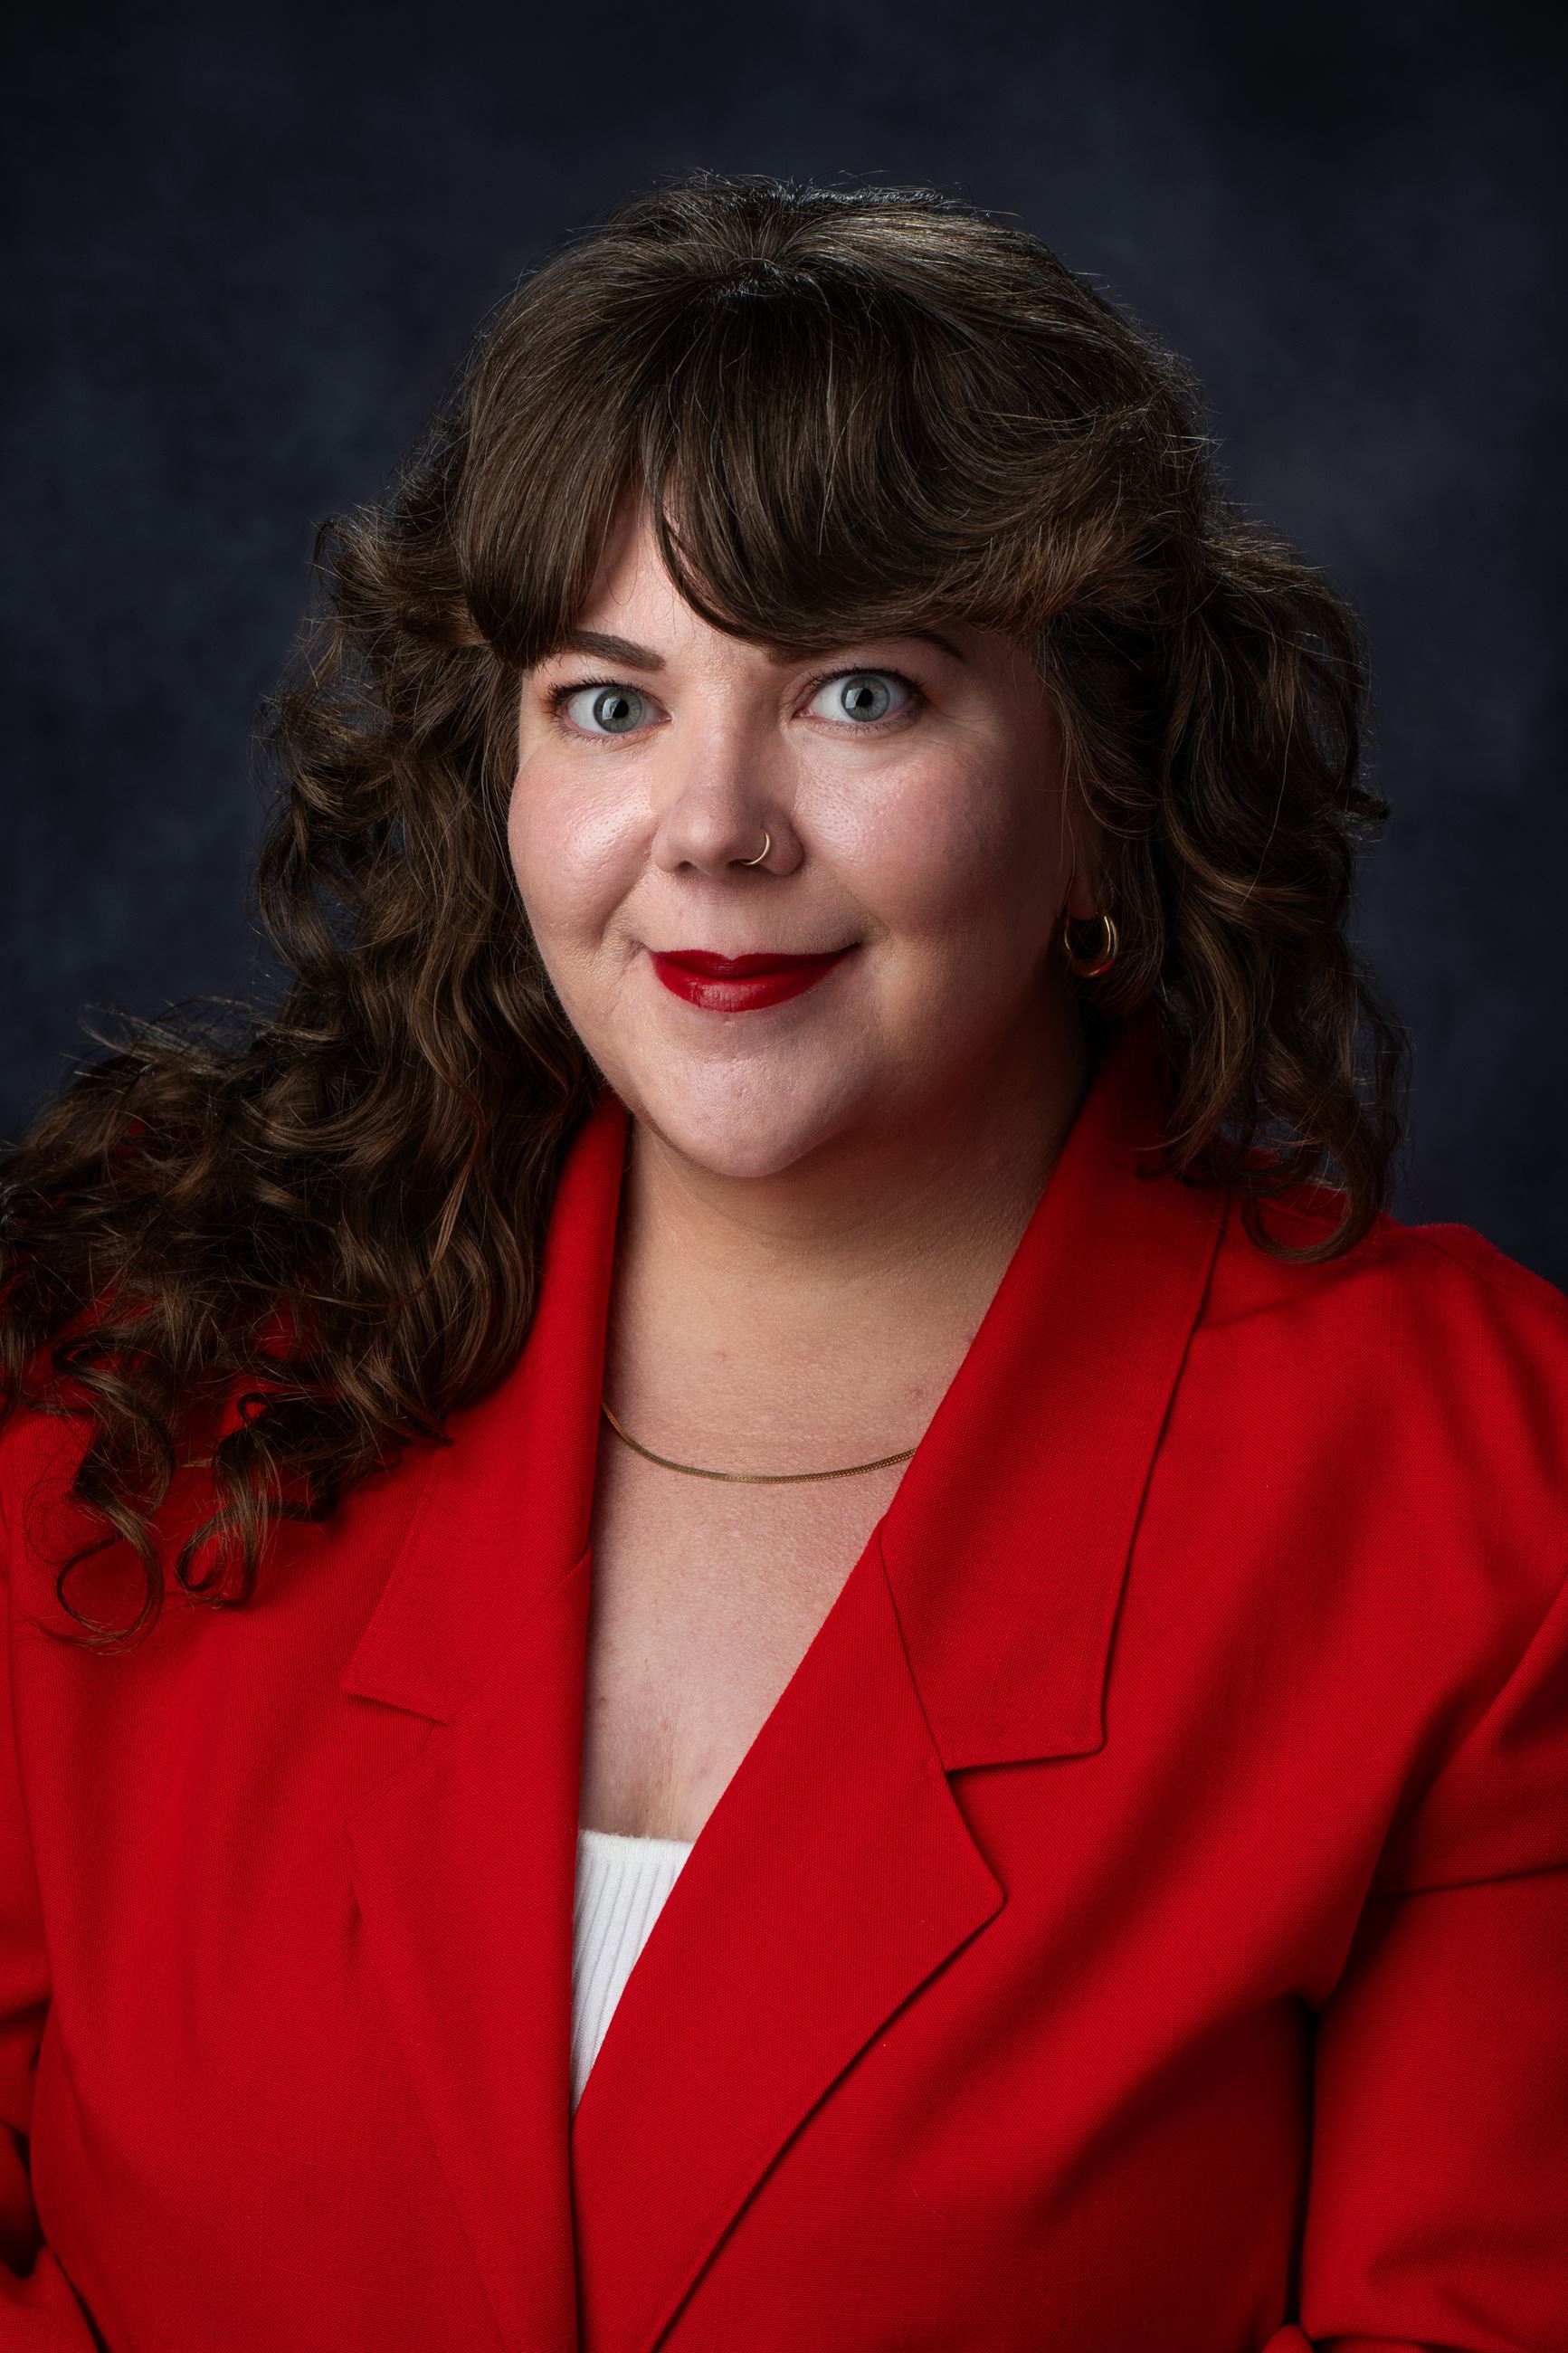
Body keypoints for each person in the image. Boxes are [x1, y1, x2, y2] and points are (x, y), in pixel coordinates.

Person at [0, 172, 1563, 2353]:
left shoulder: (1485, 1489)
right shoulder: (139, 1381)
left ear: (1101, 779)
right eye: (609, 703)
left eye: (860, 692)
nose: (713, 828)